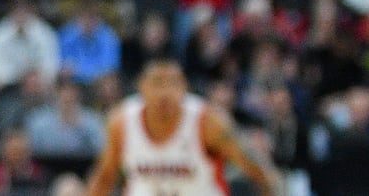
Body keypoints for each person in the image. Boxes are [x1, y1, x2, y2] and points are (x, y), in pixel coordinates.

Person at [85, 59, 277, 196]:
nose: (165, 93)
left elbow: (261, 173)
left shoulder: (208, 121)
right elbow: (103, 180)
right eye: (157, 83)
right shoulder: (121, 122)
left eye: (172, 83)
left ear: (185, 87)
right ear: (141, 87)